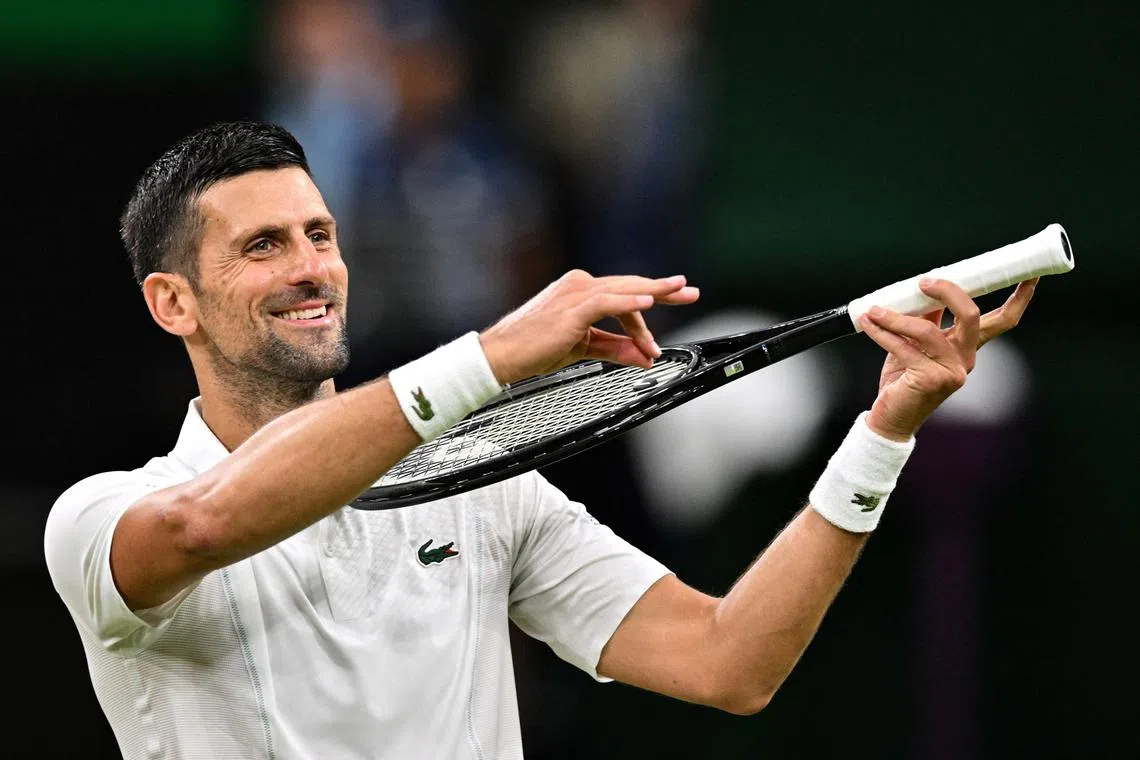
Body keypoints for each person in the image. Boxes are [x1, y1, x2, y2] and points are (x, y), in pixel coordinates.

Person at [43, 121, 1038, 759]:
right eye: (264, 246)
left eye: (320, 235)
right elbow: (207, 522)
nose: (311, 268)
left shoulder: (483, 488)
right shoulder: (101, 519)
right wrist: (492, 355)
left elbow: (729, 661)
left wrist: (886, 429)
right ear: (173, 301)